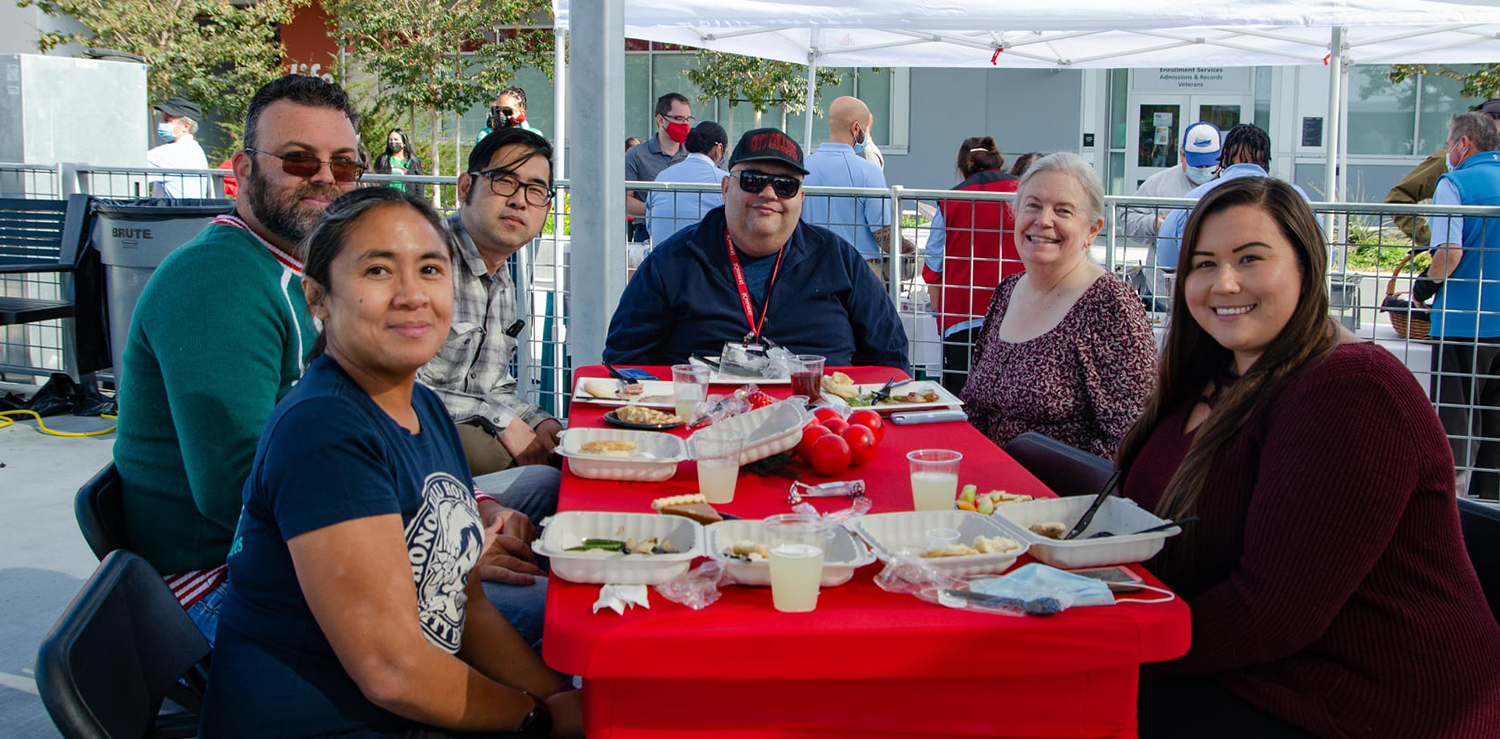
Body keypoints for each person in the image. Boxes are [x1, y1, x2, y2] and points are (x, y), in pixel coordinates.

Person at [1120, 176, 1500, 738]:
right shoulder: (1212, 375)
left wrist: (1114, 651)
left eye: (1250, 258)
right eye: (1204, 264)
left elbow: (1273, 613)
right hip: (1252, 668)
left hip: (1362, 703)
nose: (1224, 282)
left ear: (1306, 265)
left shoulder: (1352, 388)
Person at [199, 187, 584, 739]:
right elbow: (392, 671)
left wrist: (558, 698)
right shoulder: (324, 432)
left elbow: (467, 605)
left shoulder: (422, 405)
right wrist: (539, 720)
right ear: (318, 297)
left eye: (430, 269)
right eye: (378, 271)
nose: (412, 295)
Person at [604, 127, 910, 370]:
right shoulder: (671, 262)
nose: (768, 193)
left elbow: (891, 359)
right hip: (706, 426)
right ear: (726, 188)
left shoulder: (840, 261)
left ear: (800, 198)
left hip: (823, 425)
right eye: (752, 180)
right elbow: (624, 362)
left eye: (785, 185)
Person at [960, 152, 1155, 458]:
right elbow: (974, 407)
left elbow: (1133, 438)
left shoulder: (1109, 304)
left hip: (1061, 487)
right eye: (1033, 206)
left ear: (1092, 230)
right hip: (985, 481)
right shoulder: (1007, 291)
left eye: (1063, 211)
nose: (1043, 221)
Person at [1425, 111, 1500, 501]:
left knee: (1453, 428)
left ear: (1464, 144)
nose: (1447, 151)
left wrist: (1426, 283)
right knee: (1495, 431)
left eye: (1448, 143)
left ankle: (1447, 510)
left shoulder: (1453, 184)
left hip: (1461, 322)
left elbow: (1449, 253)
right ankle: (1490, 508)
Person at [921, 136, 1022, 393]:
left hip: (962, 312)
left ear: (962, 165)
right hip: (1018, 308)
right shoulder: (1023, 194)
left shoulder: (949, 199)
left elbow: (933, 263)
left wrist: (938, 309)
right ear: (997, 160)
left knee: (962, 393)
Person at [1157, 123, 1305, 266]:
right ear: (1266, 157)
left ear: (1224, 155)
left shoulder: (1194, 198)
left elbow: (1166, 258)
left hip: (1209, 280)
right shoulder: (1296, 198)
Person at [1121, 121, 1221, 311]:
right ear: (1182, 155)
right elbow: (1128, 218)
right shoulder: (1159, 184)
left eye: (1208, 164)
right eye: (1196, 164)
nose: (1202, 169)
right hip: (1165, 295)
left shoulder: (1227, 185)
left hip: (1215, 294)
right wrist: (1154, 224)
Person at [802, 96, 902, 280]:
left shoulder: (803, 167)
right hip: (859, 269)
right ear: (856, 128)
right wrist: (908, 248)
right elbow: (883, 235)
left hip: (811, 267)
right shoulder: (868, 172)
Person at [1386, 99, 1500, 248]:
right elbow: (1398, 197)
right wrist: (1433, 239)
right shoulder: (1449, 160)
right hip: (1462, 256)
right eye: (1494, 136)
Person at [646, 120, 729, 243]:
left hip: (660, 248)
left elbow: (650, 221)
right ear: (719, 148)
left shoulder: (662, 176)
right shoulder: (725, 180)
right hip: (702, 251)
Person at [625, 92, 692, 241]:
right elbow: (624, 200)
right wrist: (658, 210)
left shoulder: (693, 155)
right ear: (660, 120)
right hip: (647, 232)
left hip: (687, 231)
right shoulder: (636, 155)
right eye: (679, 118)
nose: (685, 124)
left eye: (688, 119)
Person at [146, 96, 210, 199]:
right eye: (162, 119)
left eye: (167, 120)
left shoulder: (177, 152)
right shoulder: (193, 149)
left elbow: (132, 164)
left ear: (186, 126)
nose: (161, 124)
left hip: (174, 209)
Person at [475, 85, 542, 142]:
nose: (501, 114)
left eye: (506, 111)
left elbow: (533, 146)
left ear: (522, 112)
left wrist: (522, 123)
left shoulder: (535, 134)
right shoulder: (485, 134)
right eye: (497, 110)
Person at [371, 128, 425, 196]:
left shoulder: (413, 161)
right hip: (387, 199)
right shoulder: (382, 159)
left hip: (407, 199)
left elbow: (419, 186)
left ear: (404, 143)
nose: (393, 142)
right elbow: (375, 182)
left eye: (396, 139)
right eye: (390, 140)